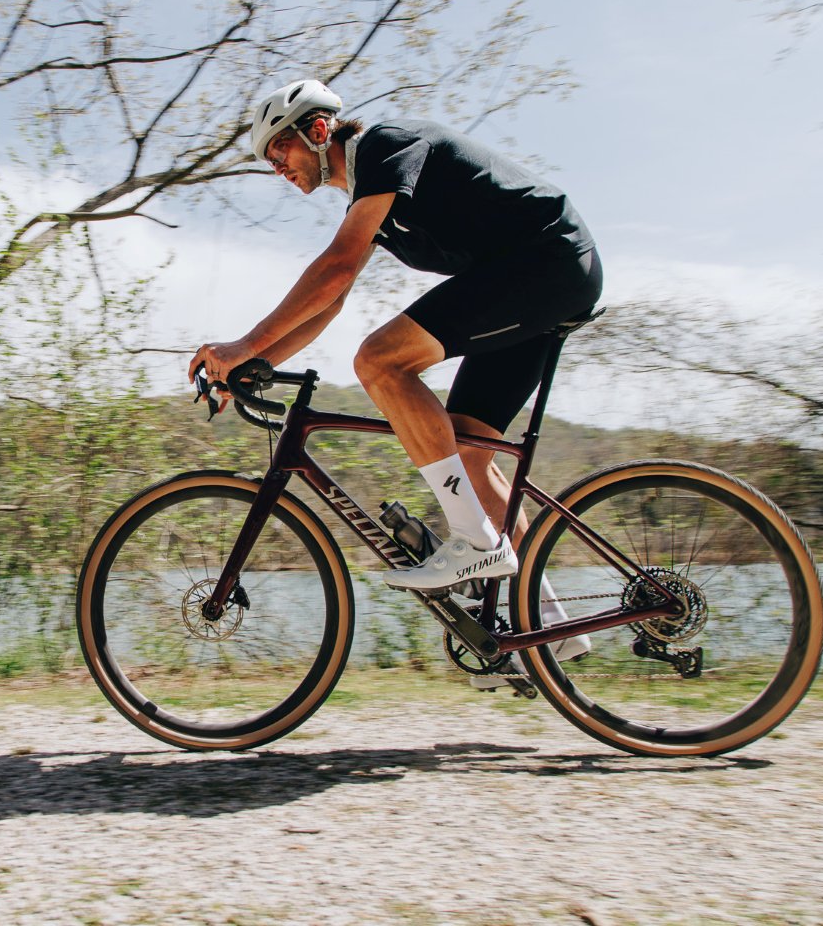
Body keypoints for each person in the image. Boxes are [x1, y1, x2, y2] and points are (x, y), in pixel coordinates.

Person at [189, 79, 599, 681]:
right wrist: (254, 364)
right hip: (533, 279)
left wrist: (244, 344)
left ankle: (475, 542)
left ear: (318, 131)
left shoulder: (386, 146)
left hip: (546, 264)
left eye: (280, 150)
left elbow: (335, 269)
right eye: (270, 162)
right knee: (468, 450)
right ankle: (549, 628)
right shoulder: (373, 199)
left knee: (380, 361)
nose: (277, 168)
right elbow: (329, 303)